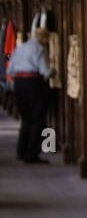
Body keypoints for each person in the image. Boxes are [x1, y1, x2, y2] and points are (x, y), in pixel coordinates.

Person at [6, 27, 53, 162]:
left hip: (19, 84)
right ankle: (31, 154)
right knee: (37, 119)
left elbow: (10, 70)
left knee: (25, 118)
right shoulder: (40, 48)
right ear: (43, 38)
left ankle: (21, 151)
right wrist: (53, 72)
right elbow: (45, 71)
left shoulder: (20, 48)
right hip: (34, 84)